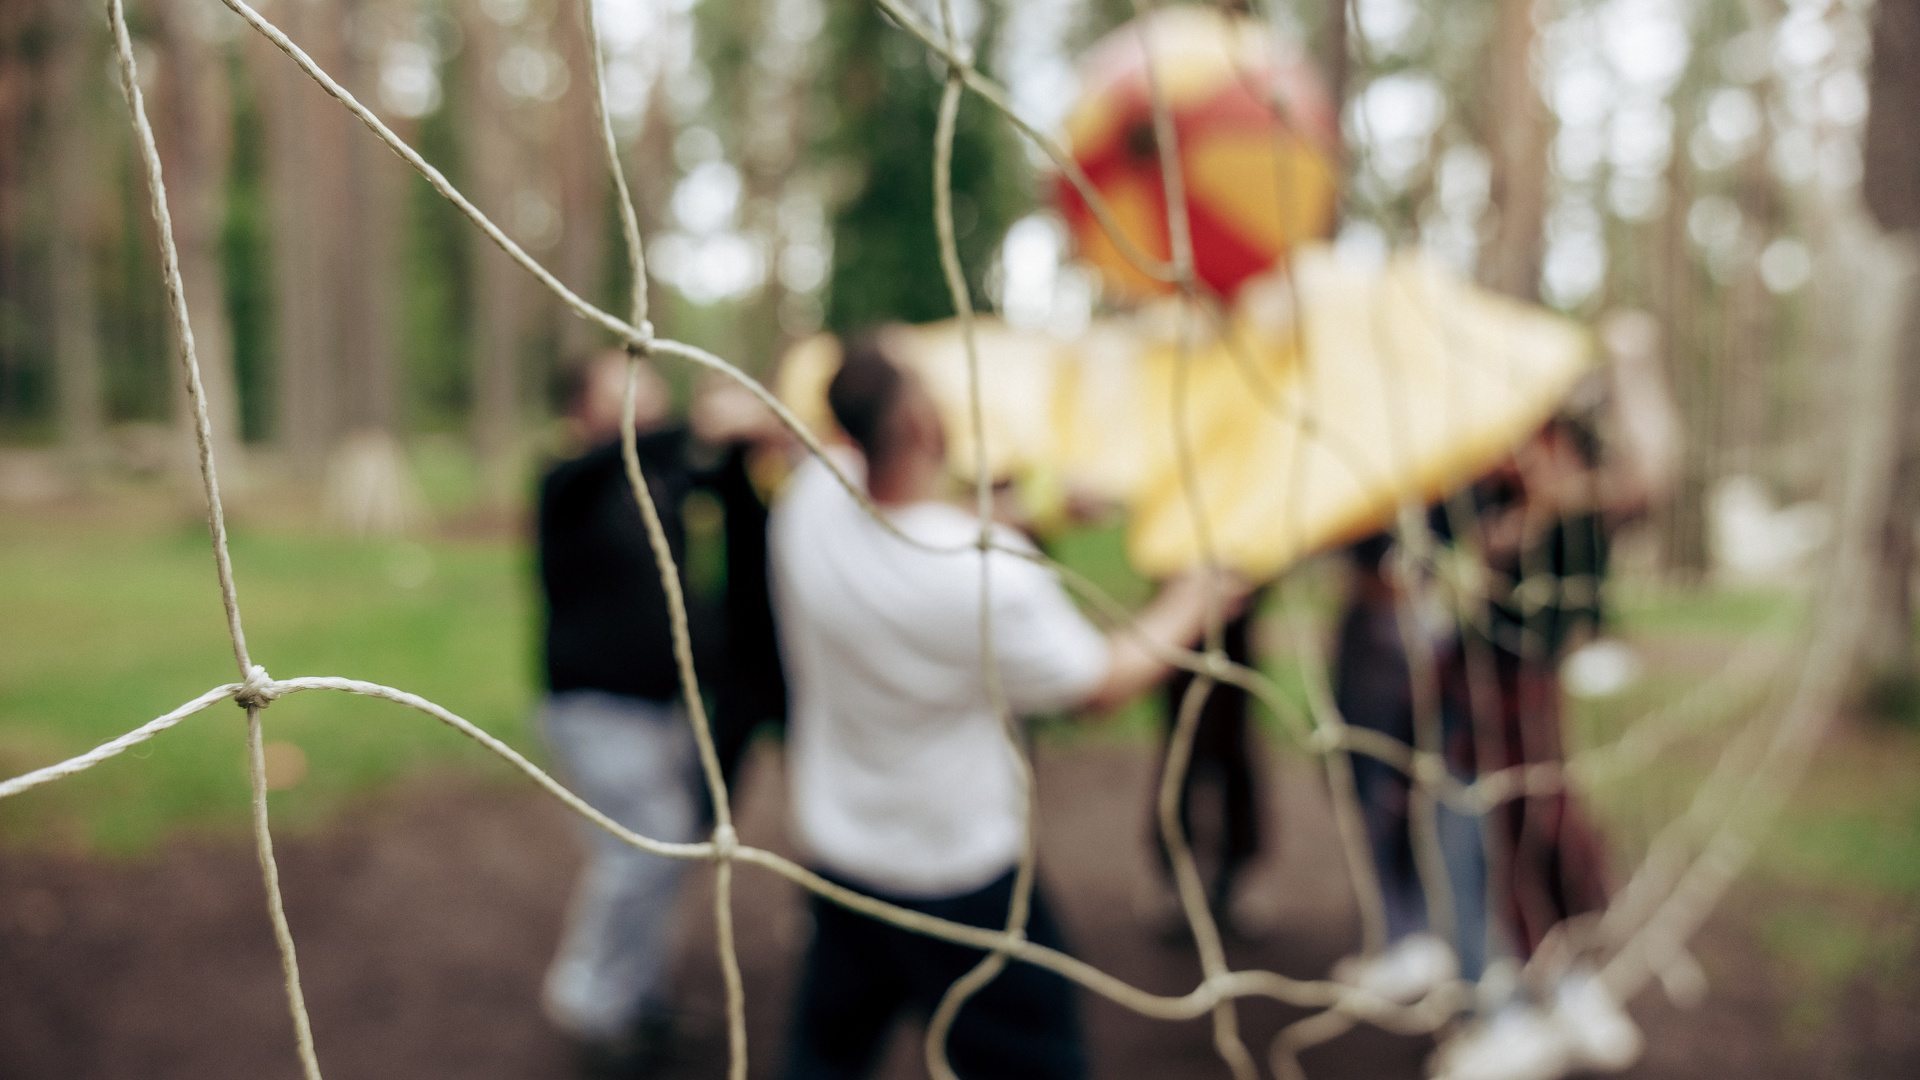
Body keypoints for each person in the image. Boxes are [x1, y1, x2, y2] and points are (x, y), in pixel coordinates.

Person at [769, 328, 1238, 1080]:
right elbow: (1099, 683)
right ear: (920, 423)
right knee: (1039, 1065)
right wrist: (1196, 596)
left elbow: (917, 520)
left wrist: (1028, 507)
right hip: (957, 875)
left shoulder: (807, 505)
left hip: (843, 857)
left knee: (824, 1060)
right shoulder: (989, 582)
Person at [535, 350, 783, 1077]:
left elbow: (729, 488)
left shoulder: (656, 477)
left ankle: (636, 1000)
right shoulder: (568, 481)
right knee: (645, 848)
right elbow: (621, 456)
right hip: (596, 708)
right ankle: (591, 1003)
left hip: (657, 710)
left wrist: (750, 442)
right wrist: (704, 423)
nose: (645, 387)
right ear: (579, 408)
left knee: (662, 850)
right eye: (624, 379)